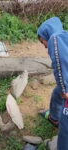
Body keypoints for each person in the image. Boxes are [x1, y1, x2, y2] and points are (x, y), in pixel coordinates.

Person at [37, 17, 68, 150]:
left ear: (47, 34)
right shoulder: (65, 36)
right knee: (57, 94)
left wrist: (64, 88)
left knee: (66, 130)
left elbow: (60, 64)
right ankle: (54, 118)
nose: (44, 45)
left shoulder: (54, 38)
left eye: (42, 41)